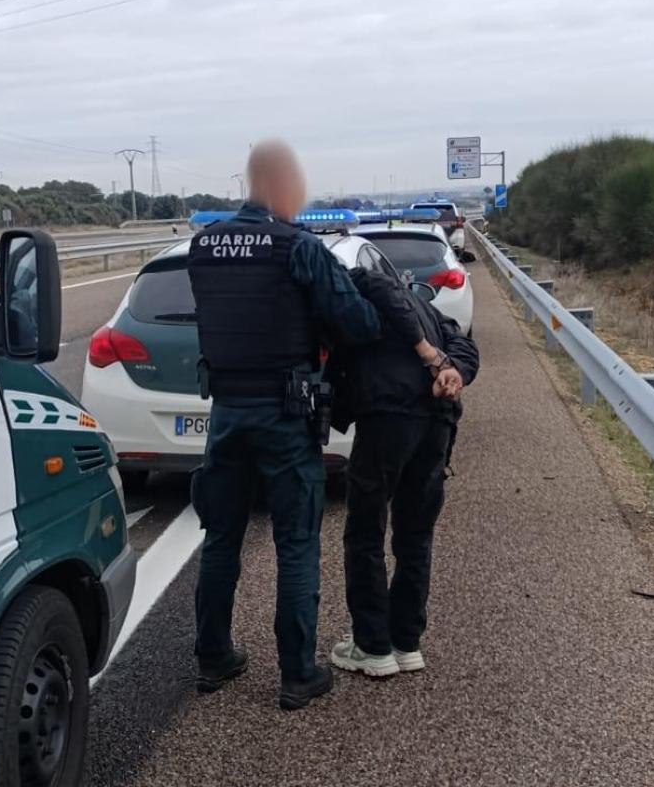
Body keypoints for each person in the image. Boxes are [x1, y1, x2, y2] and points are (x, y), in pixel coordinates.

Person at [186, 139, 441, 710]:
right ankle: (298, 672)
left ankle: (212, 657)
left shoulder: (203, 246)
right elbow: (357, 322)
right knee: (296, 542)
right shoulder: (296, 247)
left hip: (225, 412)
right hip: (285, 412)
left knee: (220, 537)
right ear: (278, 187)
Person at [326, 272, 478, 678]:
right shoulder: (428, 308)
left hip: (389, 418)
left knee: (365, 531)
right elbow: (464, 343)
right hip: (437, 423)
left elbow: (377, 287)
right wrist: (455, 370)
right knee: (414, 535)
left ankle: (372, 646)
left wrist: (429, 354)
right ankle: (406, 642)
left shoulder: (362, 282)